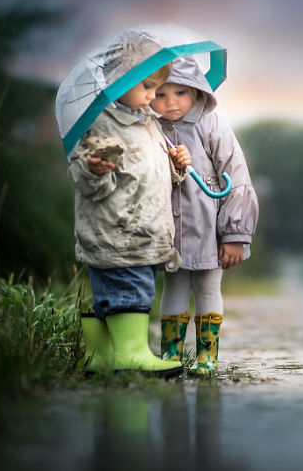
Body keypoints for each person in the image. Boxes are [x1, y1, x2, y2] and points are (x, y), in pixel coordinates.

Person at [64, 29, 191, 377]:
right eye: (147, 86)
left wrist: (176, 167)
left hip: (146, 230)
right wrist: (95, 169)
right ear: (120, 80)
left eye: (157, 88)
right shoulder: (100, 123)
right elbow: (87, 184)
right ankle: (130, 354)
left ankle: (101, 357)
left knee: (119, 295)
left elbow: (149, 174)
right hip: (118, 231)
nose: (154, 96)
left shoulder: (148, 123)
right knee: (129, 293)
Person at [151, 56, 259, 378]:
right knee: (174, 288)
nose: (170, 102)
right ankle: (170, 355)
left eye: (180, 93)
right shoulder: (151, 129)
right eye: (160, 94)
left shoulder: (210, 123)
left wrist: (236, 234)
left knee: (208, 288)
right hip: (169, 228)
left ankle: (206, 357)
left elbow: (236, 176)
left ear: (196, 92)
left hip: (208, 225)